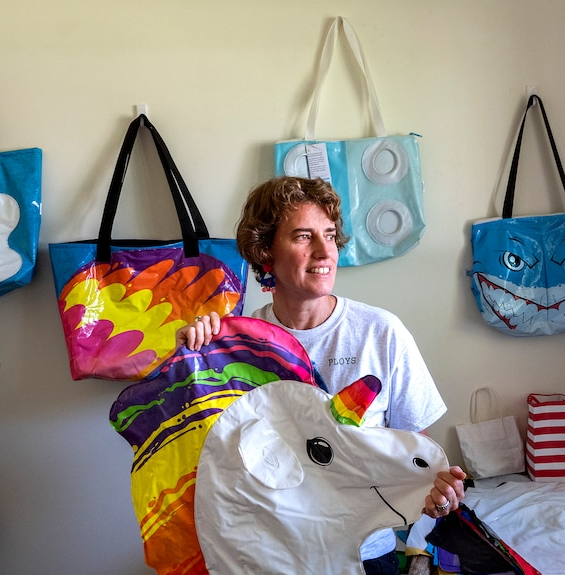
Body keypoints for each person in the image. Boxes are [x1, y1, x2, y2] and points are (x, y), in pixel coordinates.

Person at [177, 176, 465, 575]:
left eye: (329, 235)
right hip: (269, 556)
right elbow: (206, 456)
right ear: (265, 253)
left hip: (365, 556)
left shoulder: (381, 333)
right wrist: (193, 357)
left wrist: (439, 492)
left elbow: (414, 449)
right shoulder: (234, 349)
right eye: (302, 236)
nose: (324, 250)